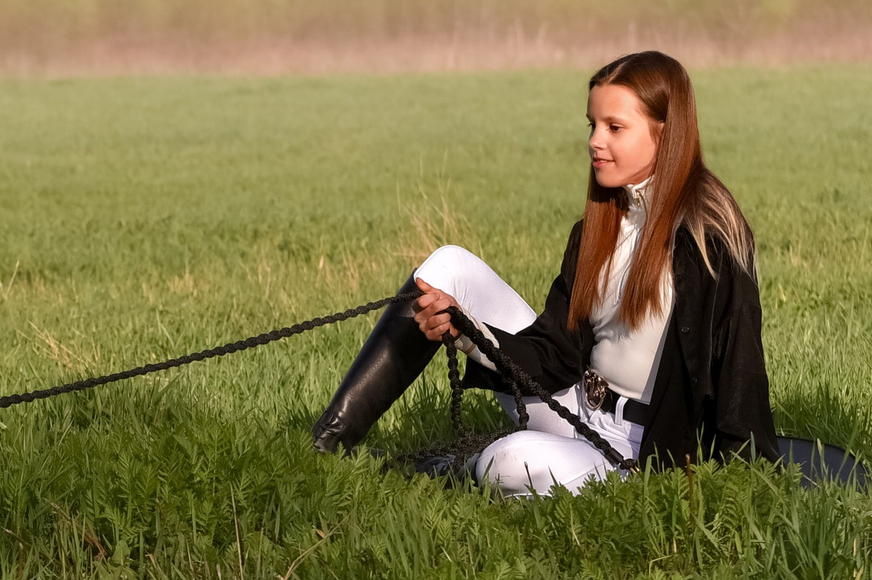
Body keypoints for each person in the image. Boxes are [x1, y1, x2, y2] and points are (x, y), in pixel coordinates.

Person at [312, 50, 776, 493]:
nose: (595, 141)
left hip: (637, 453)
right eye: (593, 124)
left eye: (615, 127)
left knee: (510, 460)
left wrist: (749, 475)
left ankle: (454, 468)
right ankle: (326, 445)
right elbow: (555, 353)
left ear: (666, 133)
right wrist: (468, 332)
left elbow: (741, 371)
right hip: (573, 407)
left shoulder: (710, 240)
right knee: (447, 265)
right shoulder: (597, 228)